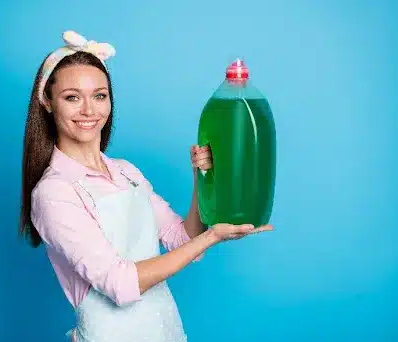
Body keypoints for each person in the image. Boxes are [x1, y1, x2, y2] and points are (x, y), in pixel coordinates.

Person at [19, 30, 273, 342]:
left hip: (163, 330)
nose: (89, 110)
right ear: (47, 102)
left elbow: (183, 240)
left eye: (99, 95)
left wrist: (202, 178)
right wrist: (211, 237)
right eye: (72, 97)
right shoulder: (53, 192)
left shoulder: (126, 172)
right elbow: (120, 284)